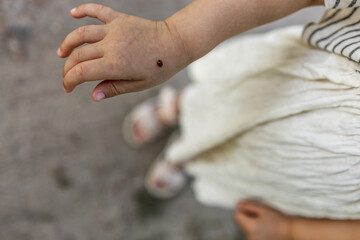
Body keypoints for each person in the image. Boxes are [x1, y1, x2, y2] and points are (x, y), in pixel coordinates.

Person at [58, 0, 360, 239]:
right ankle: (180, 106)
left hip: (313, 179)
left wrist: (290, 231)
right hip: (300, 81)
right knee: (229, 97)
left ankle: (193, 155)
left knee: (241, 159)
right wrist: (175, 38)